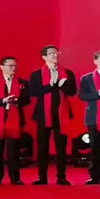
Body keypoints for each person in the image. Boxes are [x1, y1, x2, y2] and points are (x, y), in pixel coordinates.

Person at [30, 45, 77, 186]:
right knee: (42, 147)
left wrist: (63, 85)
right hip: (43, 114)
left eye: (56, 53)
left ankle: (61, 177)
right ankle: (42, 177)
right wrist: (50, 86)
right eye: (51, 53)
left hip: (61, 114)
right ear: (44, 57)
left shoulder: (67, 73)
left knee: (61, 147)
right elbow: (33, 92)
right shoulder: (37, 74)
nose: (55, 55)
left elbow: (73, 91)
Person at [0, 56, 30, 185]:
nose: (13, 68)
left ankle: (15, 177)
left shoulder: (22, 82)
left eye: (15, 65)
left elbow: (27, 100)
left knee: (14, 151)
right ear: (2, 67)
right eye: (10, 66)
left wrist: (17, 101)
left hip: (15, 119)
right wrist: (3, 101)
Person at [79, 50, 100, 185]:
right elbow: (82, 95)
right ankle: (95, 175)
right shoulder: (87, 78)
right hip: (94, 117)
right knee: (95, 148)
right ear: (95, 61)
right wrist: (98, 93)